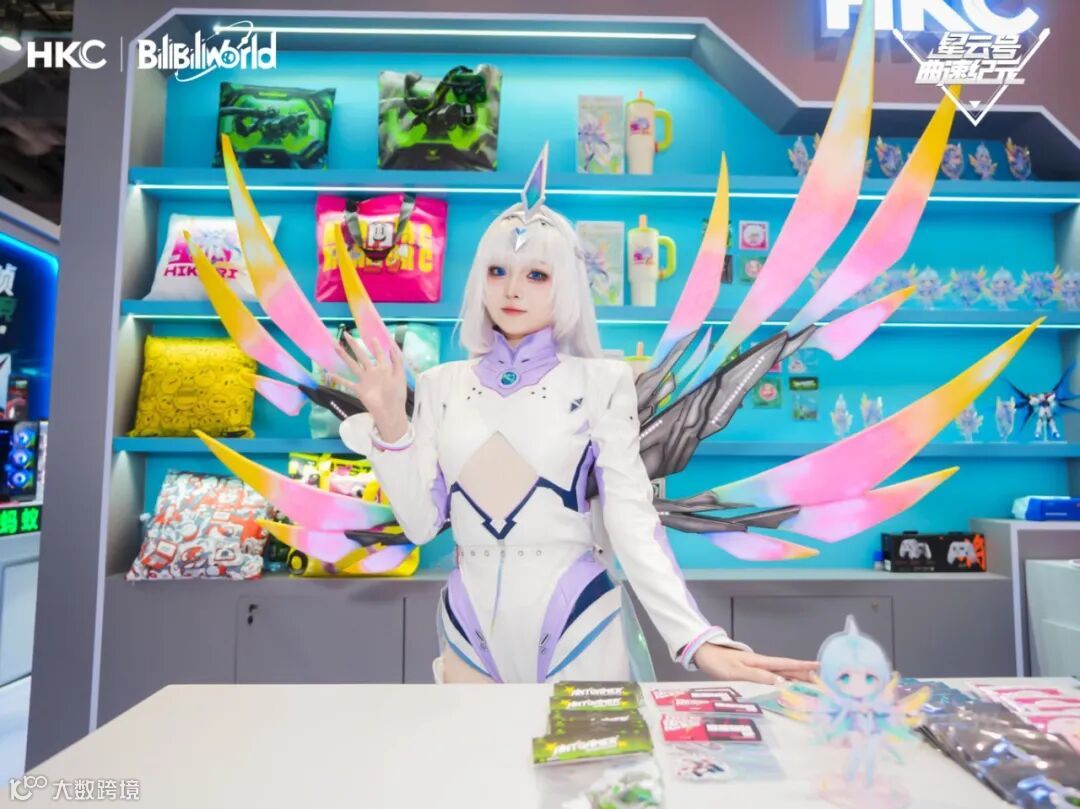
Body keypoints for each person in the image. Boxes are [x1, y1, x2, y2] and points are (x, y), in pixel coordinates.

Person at [332, 154, 817, 686]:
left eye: (536, 275)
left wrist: (695, 639)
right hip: (468, 619)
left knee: (583, 746)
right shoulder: (439, 385)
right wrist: (390, 425)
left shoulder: (602, 381)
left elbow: (631, 519)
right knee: (472, 744)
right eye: (498, 271)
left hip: (576, 614)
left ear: (564, 286)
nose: (512, 290)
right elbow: (421, 525)